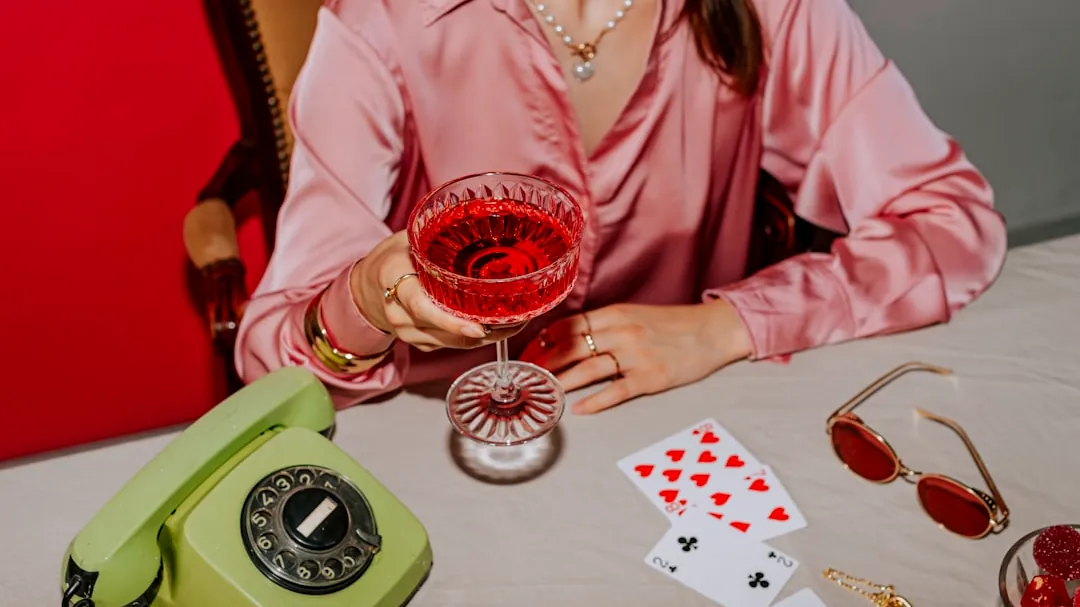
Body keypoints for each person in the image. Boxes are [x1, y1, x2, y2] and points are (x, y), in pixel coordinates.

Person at [234, 0, 1006, 415]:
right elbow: (270, 354)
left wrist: (733, 322)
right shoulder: (383, 19)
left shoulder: (779, 10)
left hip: (679, 417)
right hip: (435, 440)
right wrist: (366, 300)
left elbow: (954, 224)